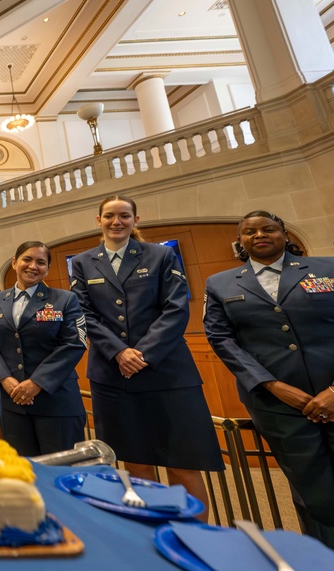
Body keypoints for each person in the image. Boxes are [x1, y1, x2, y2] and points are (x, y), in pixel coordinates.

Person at [70, 195, 221, 513]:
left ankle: (197, 536)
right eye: (109, 216)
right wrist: (119, 353)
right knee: (136, 465)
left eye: (124, 215)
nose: (117, 222)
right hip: (113, 377)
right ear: (98, 220)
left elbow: (176, 310)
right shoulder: (83, 263)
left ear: (136, 220)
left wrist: (143, 354)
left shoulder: (162, 256)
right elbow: (84, 314)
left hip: (167, 373)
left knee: (183, 465)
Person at [204, 210, 334, 547]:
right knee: (313, 492)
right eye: (250, 231)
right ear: (241, 241)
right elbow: (222, 340)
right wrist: (274, 386)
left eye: (269, 229)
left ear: (284, 234)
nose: (259, 235)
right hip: (277, 405)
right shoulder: (220, 283)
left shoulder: (327, 269)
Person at [0, 241, 87, 455]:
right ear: (14, 263)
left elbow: (74, 343)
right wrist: (5, 379)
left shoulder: (65, 299)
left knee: (62, 471)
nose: (33, 266)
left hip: (56, 400)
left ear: (47, 269)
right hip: (12, 403)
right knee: (24, 470)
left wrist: (37, 382)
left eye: (41, 262)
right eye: (27, 259)